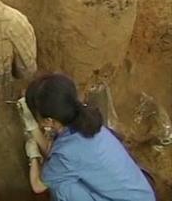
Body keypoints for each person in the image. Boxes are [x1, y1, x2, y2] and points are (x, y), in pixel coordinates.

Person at [20, 73, 156, 201]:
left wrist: (34, 156)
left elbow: (38, 185)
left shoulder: (68, 151)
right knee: (62, 174)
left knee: (60, 186)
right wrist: (34, 131)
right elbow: (59, 159)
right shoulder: (87, 122)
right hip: (141, 194)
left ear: (49, 120)